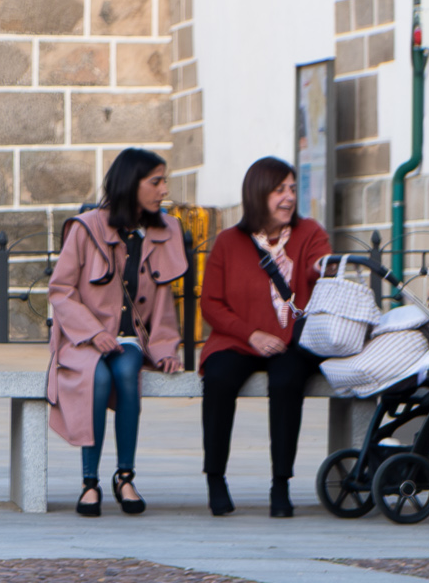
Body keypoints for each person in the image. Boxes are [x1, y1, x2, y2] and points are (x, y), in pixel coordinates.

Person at [46, 147, 187, 517]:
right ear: (131, 184)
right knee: (96, 376)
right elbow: (61, 291)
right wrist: (93, 333)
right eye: (155, 182)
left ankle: (125, 477)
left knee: (126, 372)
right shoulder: (86, 228)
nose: (163, 190)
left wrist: (166, 349)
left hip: (129, 341)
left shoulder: (165, 230)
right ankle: (89, 482)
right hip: (82, 340)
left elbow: (162, 303)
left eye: (164, 181)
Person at [196, 156, 330, 518]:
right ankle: (215, 478)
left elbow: (321, 266)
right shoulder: (228, 242)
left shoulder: (310, 232)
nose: (288, 197)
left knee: (287, 381)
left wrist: (323, 268)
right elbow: (211, 303)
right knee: (219, 378)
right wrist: (250, 334)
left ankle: (281, 484)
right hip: (240, 338)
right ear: (258, 195)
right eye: (278, 190)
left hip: (292, 340)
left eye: (291, 189)